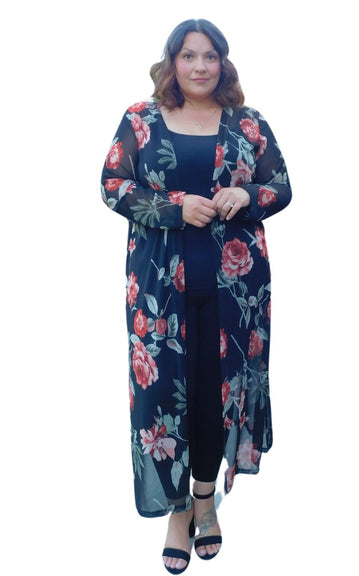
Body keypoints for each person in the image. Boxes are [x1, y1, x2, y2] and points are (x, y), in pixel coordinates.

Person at [101, 18, 292, 574]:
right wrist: (174, 207)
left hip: (237, 295)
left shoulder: (248, 124)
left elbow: (281, 186)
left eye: (210, 56)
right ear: (172, 61)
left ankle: (204, 499)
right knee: (163, 398)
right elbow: (112, 185)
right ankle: (177, 509)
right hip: (159, 294)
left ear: (223, 63)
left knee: (215, 397)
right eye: (189, 56)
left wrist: (247, 193)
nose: (200, 66)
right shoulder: (140, 120)